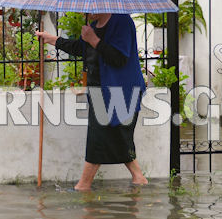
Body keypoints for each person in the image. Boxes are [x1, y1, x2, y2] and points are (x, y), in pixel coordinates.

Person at [36, 13, 148, 191]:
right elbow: (81, 48)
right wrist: (53, 40)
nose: (84, 12)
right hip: (100, 90)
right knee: (118, 136)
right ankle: (138, 177)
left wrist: (94, 39)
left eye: (88, 7)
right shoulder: (94, 25)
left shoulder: (122, 21)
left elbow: (119, 58)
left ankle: (83, 185)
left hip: (121, 90)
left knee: (99, 136)